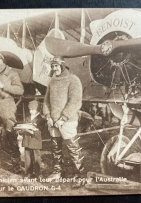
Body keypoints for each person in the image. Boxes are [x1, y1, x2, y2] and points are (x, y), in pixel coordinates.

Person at [43, 56, 86, 186]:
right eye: (52, 66)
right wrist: (48, 116)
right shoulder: (52, 81)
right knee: (55, 148)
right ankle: (57, 172)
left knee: (73, 148)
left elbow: (75, 102)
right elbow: (46, 101)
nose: (54, 68)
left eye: (56, 66)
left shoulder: (73, 79)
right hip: (53, 121)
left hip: (67, 121)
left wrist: (63, 118)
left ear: (62, 65)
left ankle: (80, 175)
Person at [20, 100, 46, 178]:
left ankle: (38, 173)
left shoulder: (41, 119)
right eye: (30, 109)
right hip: (27, 141)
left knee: (36, 157)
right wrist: (20, 130)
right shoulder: (27, 117)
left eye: (33, 109)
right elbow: (23, 127)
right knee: (27, 158)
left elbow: (40, 132)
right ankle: (28, 172)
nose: (31, 111)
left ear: (37, 109)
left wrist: (31, 131)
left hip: (35, 141)